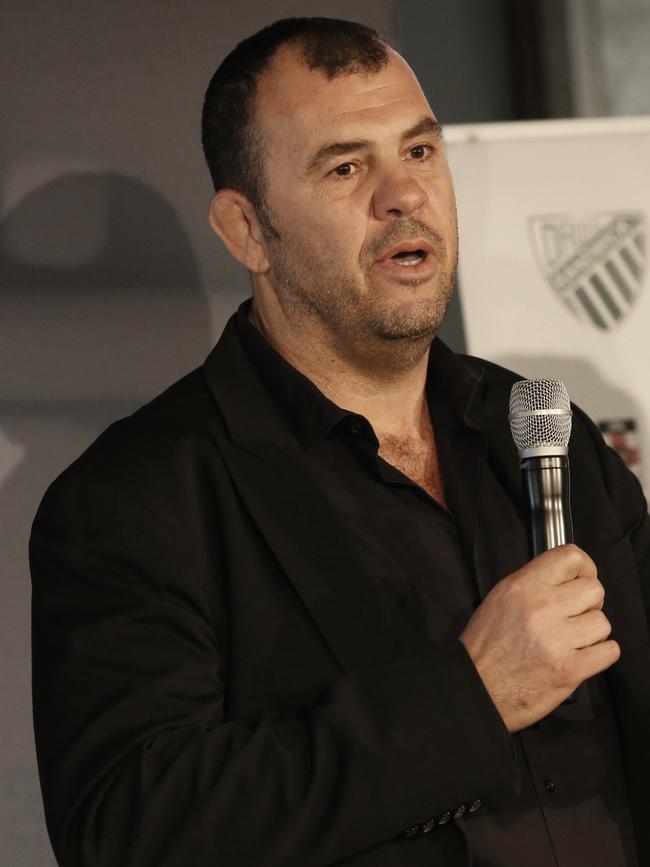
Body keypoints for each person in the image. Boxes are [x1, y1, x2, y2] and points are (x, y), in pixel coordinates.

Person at [30, 17, 650, 867]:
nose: (404, 195)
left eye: (421, 153)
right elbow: (130, 828)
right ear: (245, 229)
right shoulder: (139, 498)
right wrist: (469, 698)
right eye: (347, 166)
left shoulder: (537, 424)